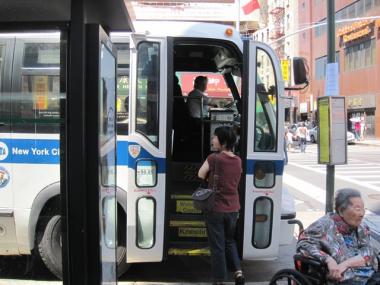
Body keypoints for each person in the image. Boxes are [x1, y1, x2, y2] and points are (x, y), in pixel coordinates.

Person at [297, 188, 379, 284]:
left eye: (363, 209)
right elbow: (304, 244)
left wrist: (346, 264)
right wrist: (328, 259)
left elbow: (368, 249)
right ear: (341, 211)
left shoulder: (362, 227)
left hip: (367, 273)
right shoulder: (323, 225)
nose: (361, 214)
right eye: (357, 209)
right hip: (343, 278)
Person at [198, 126, 245, 285]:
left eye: (215, 137)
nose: (212, 140)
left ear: (223, 141)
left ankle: (219, 280)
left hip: (216, 209)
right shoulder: (238, 160)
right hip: (233, 209)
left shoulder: (213, 158)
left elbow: (200, 173)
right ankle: (238, 272)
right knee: (230, 241)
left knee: (217, 246)